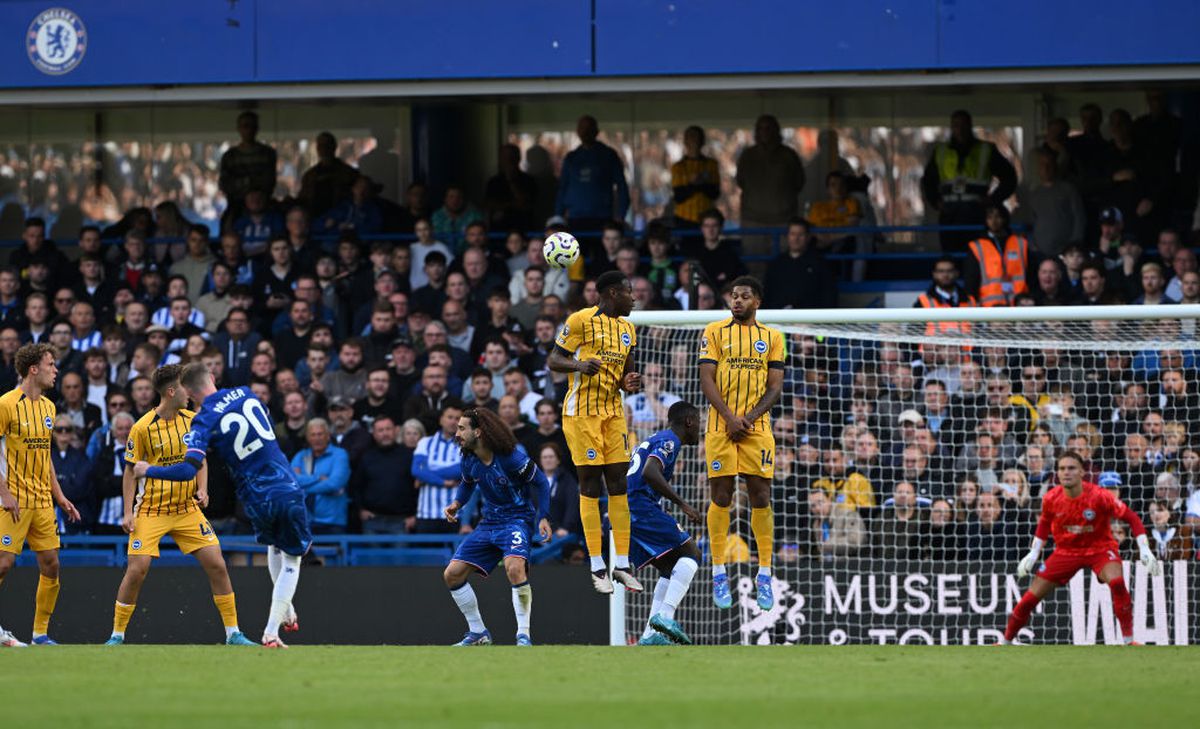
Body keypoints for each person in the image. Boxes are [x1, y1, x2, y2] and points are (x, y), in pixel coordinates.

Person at [133, 362, 312, 649]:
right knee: (293, 557)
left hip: (253, 497)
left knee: (275, 545)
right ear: (213, 378)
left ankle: (286, 609)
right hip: (284, 486)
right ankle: (270, 631)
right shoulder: (246, 393)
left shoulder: (203, 421)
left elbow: (186, 470)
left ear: (189, 392)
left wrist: (147, 469)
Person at [106, 365, 254, 646]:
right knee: (137, 570)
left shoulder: (193, 420)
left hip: (186, 508)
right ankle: (116, 634)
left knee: (217, 564)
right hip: (151, 509)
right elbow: (130, 471)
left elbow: (201, 460)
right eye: (186, 387)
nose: (191, 393)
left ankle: (233, 633)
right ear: (172, 391)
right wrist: (128, 512)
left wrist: (202, 487)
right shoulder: (141, 428)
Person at [547, 271, 643, 594]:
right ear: (614, 293)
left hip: (613, 412)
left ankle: (623, 563)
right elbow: (553, 359)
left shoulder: (628, 329)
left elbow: (626, 374)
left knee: (619, 482)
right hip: (581, 413)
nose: (634, 298)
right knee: (590, 483)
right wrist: (578, 366)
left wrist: (629, 382)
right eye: (630, 293)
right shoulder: (580, 321)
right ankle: (597, 565)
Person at [1002, 452, 1161, 645]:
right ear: (1057, 473)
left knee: (1117, 582)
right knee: (1029, 598)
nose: (1066, 473)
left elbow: (1132, 518)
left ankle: (1129, 640)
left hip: (1100, 549)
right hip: (1065, 552)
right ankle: (1005, 642)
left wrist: (1144, 548)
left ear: (1082, 472)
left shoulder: (1099, 496)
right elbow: (1044, 524)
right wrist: (1033, 553)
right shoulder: (1051, 498)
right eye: (1062, 469)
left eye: (1071, 468)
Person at [698, 275, 785, 611]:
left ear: (757, 302)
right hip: (721, 427)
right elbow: (706, 379)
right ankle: (718, 571)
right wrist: (730, 418)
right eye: (733, 296)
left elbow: (774, 387)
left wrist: (746, 418)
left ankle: (764, 573)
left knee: (760, 495)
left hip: (757, 427)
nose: (736, 301)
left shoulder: (773, 337)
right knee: (721, 495)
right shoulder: (713, 332)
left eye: (744, 296)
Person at [441, 407, 551, 646]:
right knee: (452, 575)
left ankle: (523, 635)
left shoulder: (511, 457)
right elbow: (468, 483)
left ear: (478, 432)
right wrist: (457, 503)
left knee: (514, 568)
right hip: (489, 522)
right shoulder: (469, 458)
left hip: (516, 519)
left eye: (462, 428)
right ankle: (478, 632)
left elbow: (541, 482)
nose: (456, 432)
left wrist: (543, 516)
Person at [0, 343, 81, 646]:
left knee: (51, 564)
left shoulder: (48, 407)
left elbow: (44, 455)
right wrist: (4, 492)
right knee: (4, 563)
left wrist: (59, 496)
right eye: (50, 364)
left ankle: (40, 634)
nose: (55, 370)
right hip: (12, 500)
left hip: (43, 501)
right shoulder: (6, 404)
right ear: (33, 369)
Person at [625, 401, 704, 646]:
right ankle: (665, 617)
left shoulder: (656, 438)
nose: (700, 429)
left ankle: (650, 635)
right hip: (640, 507)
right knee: (692, 553)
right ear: (689, 422)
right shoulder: (670, 440)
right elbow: (650, 471)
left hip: (626, 510)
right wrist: (683, 504)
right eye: (699, 423)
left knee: (669, 568)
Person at [921, 109, 1018, 253]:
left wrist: (993, 200)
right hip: (950, 214)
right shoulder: (941, 151)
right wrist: (935, 201)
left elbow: (1009, 177)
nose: (960, 129)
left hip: (976, 213)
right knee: (951, 257)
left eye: (963, 125)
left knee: (978, 256)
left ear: (970, 126)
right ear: (952, 127)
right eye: (956, 125)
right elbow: (928, 181)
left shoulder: (986, 149)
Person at [736, 114, 806, 262]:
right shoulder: (748, 156)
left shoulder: (788, 155)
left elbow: (799, 182)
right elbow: (740, 181)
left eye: (769, 128)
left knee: (785, 263)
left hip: (783, 220)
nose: (765, 132)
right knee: (755, 265)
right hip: (753, 221)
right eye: (761, 128)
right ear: (756, 132)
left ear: (776, 130)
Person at [555, 115, 630, 250]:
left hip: (603, 219)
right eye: (582, 128)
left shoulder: (608, 155)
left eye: (589, 128)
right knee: (576, 259)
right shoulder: (571, 158)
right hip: (575, 220)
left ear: (596, 131)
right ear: (577, 132)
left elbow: (622, 186)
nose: (585, 132)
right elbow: (563, 188)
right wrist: (558, 218)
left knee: (601, 259)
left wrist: (620, 215)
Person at [411, 403, 465, 534]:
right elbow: (417, 470)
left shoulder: (467, 445)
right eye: (450, 417)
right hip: (427, 514)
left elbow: (461, 470)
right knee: (426, 554)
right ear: (441, 420)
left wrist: (427, 475)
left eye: (457, 418)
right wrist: (443, 482)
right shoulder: (425, 442)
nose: (453, 421)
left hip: (456, 515)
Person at [290, 419, 350, 535]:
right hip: (305, 521)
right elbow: (291, 482)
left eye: (320, 434)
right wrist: (317, 478)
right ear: (308, 438)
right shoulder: (301, 456)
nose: (317, 438)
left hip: (332, 522)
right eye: (313, 435)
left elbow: (334, 484)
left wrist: (303, 487)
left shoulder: (339, 455)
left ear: (328, 436)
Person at [964, 205, 1030, 307]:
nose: (994, 221)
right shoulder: (977, 246)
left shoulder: (1020, 243)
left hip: (1019, 303)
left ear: (1004, 219)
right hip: (990, 306)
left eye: (998, 216)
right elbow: (971, 279)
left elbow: (1031, 273)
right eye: (990, 217)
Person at [763, 217, 835, 309]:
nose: (796, 238)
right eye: (793, 234)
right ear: (788, 236)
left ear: (808, 237)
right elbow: (767, 294)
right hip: (779, 319)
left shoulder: (820, 264)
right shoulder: (777, 264)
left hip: (809, 319)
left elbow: (828, 296)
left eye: (800, 234)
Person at [670, 126, 720, 228]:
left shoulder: (711, 165)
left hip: (707, 221)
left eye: (697, 137)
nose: (694, 141)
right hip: (683, 219)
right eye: (691, 137)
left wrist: (698, 184)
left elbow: (714, 193)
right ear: (685, 141)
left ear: (703, 141)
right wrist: (696, 184)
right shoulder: (678, 167)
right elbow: (679, 196)